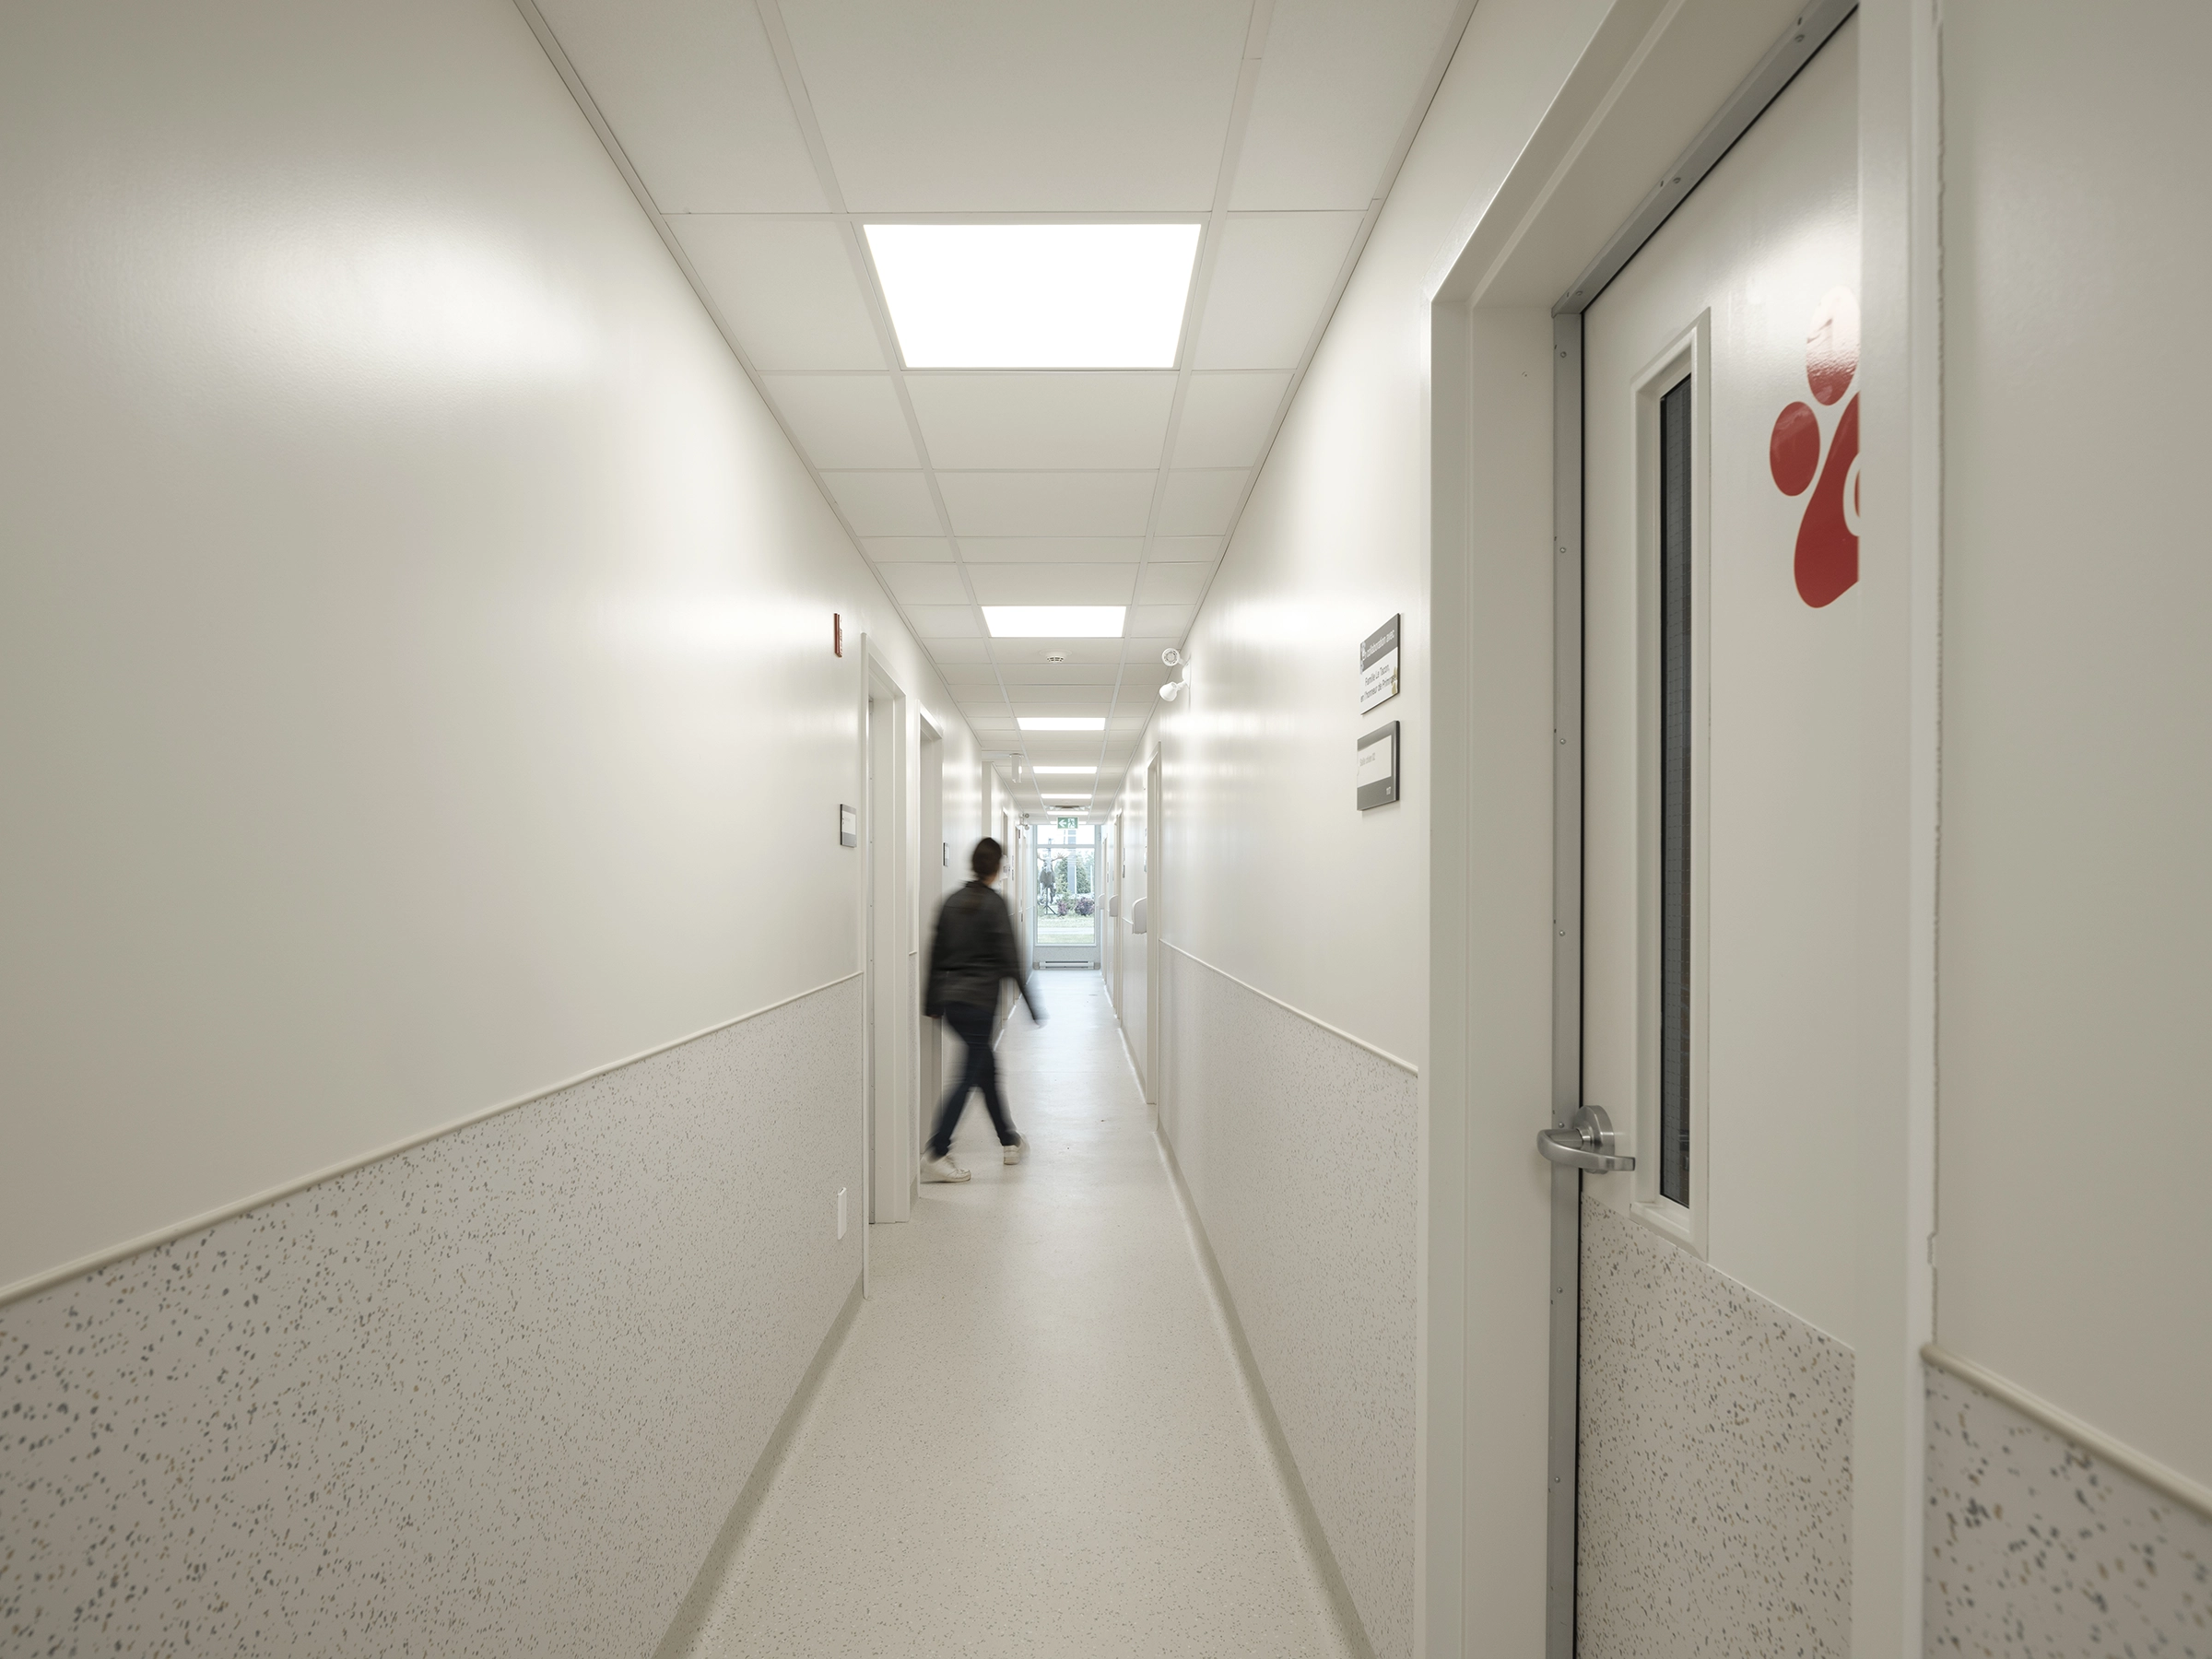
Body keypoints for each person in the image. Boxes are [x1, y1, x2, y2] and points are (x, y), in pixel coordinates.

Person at [920, 837, 1041, 1182]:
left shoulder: (951, 902)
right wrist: (1032, 1004)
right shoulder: (994, 905)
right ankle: (937, 1150)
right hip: (980, 1005)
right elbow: (1011, 959)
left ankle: (1009, 1141)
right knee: (970, 1076)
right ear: (998, 867)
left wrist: (931, 1002)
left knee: (986, 1071)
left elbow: (936, 952)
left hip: (952, 1004)